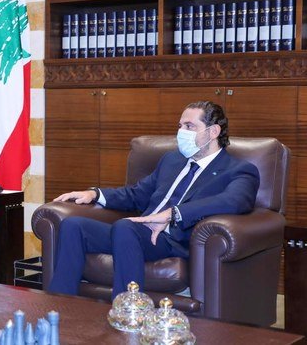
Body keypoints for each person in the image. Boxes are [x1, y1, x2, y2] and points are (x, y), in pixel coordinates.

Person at [48, 101, 260, 298]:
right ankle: (61, 307)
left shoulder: (238, 170)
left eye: (189, 126)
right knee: (73, 225)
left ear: (213, 131)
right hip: (138, 233)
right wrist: (94, 194)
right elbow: (137, 195)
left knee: (125, 227)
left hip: (173, 240)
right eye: (180, 126)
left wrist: (174, 214)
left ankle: (128, 311)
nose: (181, 132)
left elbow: (234, 200)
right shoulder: (172, 160)